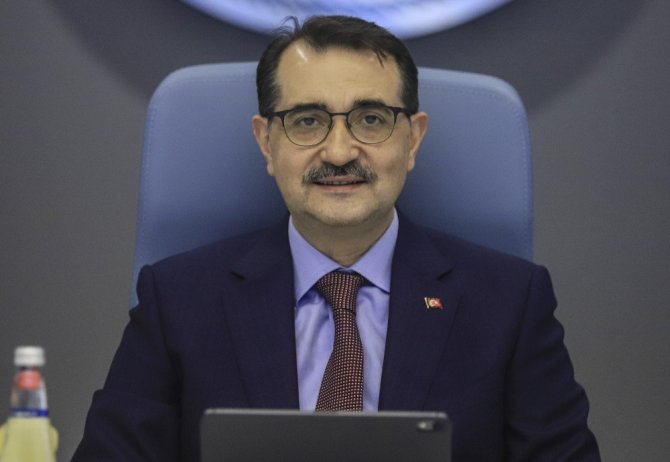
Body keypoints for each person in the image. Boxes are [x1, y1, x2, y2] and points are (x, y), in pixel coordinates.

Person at [72, 15, 600, 461]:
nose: (340, 152)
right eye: (307, 121)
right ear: (266, 142)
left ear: (413, 139)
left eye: (371, 119)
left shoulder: (509, 302)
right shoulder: (179, 300)